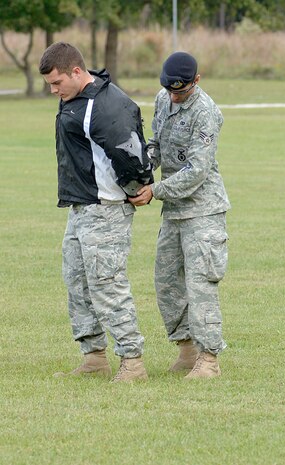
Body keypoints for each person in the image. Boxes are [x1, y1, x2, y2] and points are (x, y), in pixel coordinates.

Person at [39, 42, 153, 382]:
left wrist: (137, 189)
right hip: (79, 208)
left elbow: (132, 155)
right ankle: (94, 358)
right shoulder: (74, 100)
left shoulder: (105, 105)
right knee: (77, 282)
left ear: (77, 72)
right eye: (49, 85)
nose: (54, 90)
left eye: (57, 82)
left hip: (105, 210)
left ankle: (132, 362)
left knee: (107, 284)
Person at [129, 51, 230, 379]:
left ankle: (209, 359)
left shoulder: (206, 112)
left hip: (203, 210)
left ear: (196, 81)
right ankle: (186, 350)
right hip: (173, 211)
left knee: (201, 284)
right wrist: (142, 167)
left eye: (181, 90)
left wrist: (155, 191)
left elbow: (197, 170)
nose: (175, 95)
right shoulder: (163, 99)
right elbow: (156, 143)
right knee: (167, 281)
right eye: (170, 90)